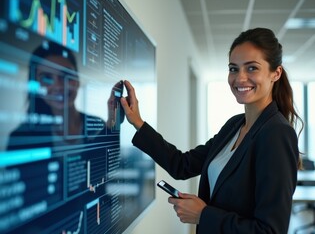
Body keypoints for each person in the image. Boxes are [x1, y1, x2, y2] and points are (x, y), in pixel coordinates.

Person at [120, 27, 303, 233]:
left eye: (252, 68)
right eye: (233, 69)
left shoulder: (276, 133)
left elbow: (270, 230)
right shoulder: (234, 125)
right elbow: (182, 165)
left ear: (275, 73)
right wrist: (138, 122)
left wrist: (203, 215)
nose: (240, 78)